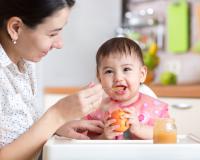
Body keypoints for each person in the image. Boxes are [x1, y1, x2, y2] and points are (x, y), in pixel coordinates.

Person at [0, 0, 104, 159]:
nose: (59, 44)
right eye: (52, 34)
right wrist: (57, 115)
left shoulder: (25, 63)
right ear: (16, 28)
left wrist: (55, 128)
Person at [85, 37, 169, 140]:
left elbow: (166, 135)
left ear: (142, 74)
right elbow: (86, 143)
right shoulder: (96, 110)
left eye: (126, 69)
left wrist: (139, 129)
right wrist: (104, 137)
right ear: (100, 78)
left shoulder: (154, 108)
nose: (118, 78)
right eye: (109, 71)